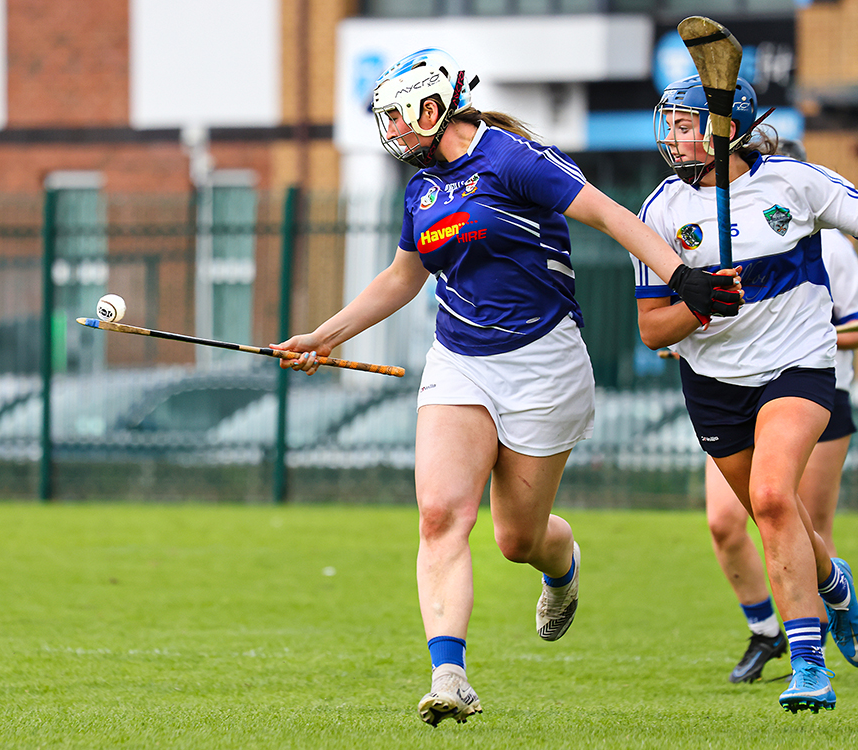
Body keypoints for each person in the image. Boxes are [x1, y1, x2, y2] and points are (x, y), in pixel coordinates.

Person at [272, 49, 742, 727]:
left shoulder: (514, 158)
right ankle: (449, 673)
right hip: (460, 359)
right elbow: (404, 278)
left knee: (517, 540)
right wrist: (326, 335)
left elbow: (611, 215)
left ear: (432, 109)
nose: (394, 135)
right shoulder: (422, 191)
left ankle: (563, 564)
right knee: (439, 515)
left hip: (544, 364)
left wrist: (681, 277)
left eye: (399, 121)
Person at [632, 75, 858, 713]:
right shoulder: (661, 211)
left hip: (798, 367)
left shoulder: (795, 182)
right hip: (713, 384)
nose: (673, 137)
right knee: (769, 516)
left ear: (725, 129)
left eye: (684, 123)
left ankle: (809, 666)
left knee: (772, 496)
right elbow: (652, 330)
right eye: (669, 123)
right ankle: (834, 584)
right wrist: (702, 305)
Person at [702, 138, 858, 685]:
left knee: (802, 518)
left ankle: (811, 645)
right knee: (727, 522)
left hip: (815, 392)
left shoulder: (828, 244)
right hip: (739, 392)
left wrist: (801, 334)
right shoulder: (707, 228)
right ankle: (767, 630)